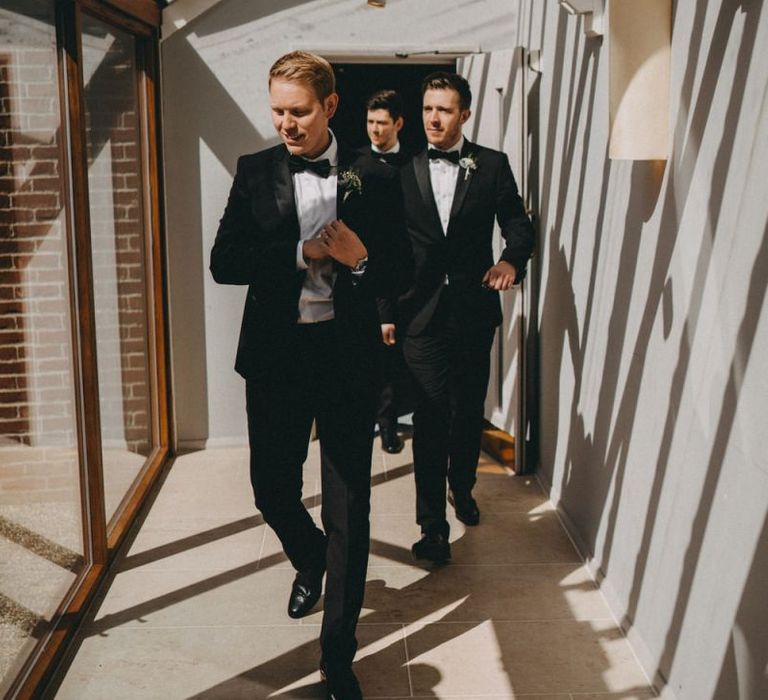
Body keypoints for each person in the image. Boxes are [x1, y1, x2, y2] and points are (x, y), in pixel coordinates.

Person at [209, 51, 410, 699]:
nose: (286, 124)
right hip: (275, 362)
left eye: (298, 111)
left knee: (351, 505)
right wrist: (298, 252)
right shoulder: (254, 171)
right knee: (272, 490)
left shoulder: (373, 175)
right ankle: (308, 558)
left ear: (329, 107)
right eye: (277, 111)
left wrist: (360, 260)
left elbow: (401, 273)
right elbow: (224, 262)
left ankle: (337, 655)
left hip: (348, 362)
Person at [397, 72, 535, 564]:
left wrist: (509, 261)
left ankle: (463, 487)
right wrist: (387, 310)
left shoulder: (492, 166)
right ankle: (432, 526)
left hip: (474, 312)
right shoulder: (404, 168)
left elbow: (519, 225)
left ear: (465, 115)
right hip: (420, 315)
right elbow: (390, 246)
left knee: (466, 412)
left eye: (445, 110)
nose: (434, 118)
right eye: (428, 108)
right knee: (430, 416)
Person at [359, 89, 410, 454]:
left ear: (398, 124)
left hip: (411, 274)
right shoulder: (354, 165)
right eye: (370, 123)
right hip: (370, 275)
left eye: (382, 123)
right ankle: (385, 423)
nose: (375, 130)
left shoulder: (415, 164)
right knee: (378, 358)